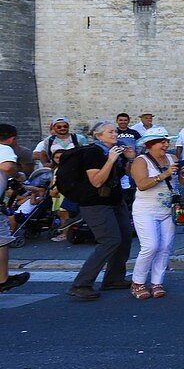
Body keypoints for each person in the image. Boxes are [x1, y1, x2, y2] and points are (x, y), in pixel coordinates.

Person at [68, 121, 135, 301]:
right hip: (95, 203)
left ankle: (113, 279)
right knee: (109, 240)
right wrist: (111, 160)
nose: (115, 134)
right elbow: (96, 181)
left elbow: (127, 175)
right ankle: (81, 284)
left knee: (125, 238)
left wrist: (129, 159)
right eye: (110, 132)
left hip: (116, 200)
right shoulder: (93, 153)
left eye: (115, 131)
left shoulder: (116, 150)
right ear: (98, 136)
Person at [129, 128, 178, 300]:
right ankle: (138, 282)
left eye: (167, 141)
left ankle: (157, 282)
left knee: (165, 247)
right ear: (150, 145)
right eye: (162, 141)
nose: (166, 145)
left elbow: (181, 182)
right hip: (145, 211)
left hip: (167, 210)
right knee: (150, 246)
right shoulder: (140, 161)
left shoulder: (172, 158)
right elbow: (141, 184)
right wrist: (164, 174)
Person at [0, 124, 30, 293]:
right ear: (12, 138)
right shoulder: (4, 149)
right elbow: (8, 167)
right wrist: (18, 175)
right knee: (2, 241)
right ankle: (2, 279)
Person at [115, 113, 142, 211]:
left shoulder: (134, 132)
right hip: (118, 160)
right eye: (121, 120)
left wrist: (136, 155)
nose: (123, 122)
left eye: (125, 120)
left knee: (132, 181)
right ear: (117, 121)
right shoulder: (114, 132)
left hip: (132, 160)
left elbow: (140, 145)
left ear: (128, 121)